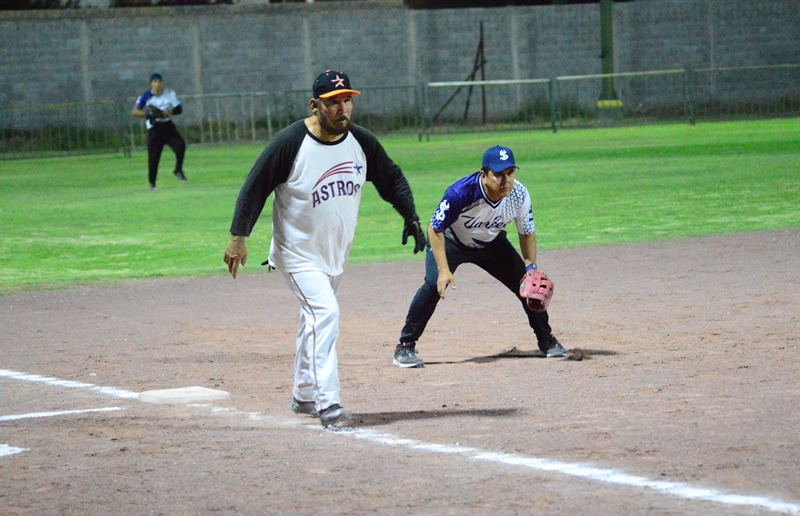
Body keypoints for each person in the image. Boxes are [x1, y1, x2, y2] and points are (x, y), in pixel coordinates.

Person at [223, 70, 426, 427]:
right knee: (325, 313)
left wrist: (410, 217)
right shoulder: (289, 143)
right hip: (297, 254)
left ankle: (302, 394)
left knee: (312, 320)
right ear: (314, 105)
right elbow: (255, 185)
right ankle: (328, 403)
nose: (343, 109)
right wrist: (239, 236)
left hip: (333, 255)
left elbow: (390, 177)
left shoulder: (360, 142)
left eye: (347, 100)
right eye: (333, 102)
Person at [393, 145, 569, 369]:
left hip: (491, 244)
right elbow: (434, 228)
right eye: (498, 175)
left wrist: (530, 267)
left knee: (528, 287)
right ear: (484, 176)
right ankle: (405, 346)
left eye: (510, 173)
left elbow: (527, 232)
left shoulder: (519, 194)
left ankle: (546, 340)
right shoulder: (461, 193)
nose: (505, 181)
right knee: (432, 286)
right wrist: (444, 270)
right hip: (451, 241)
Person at [132, 72, 188, 191]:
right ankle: (152, 183)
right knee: (154, 157)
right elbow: (135, 111)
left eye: (159, 81)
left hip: (167, 126)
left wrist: (167, 112)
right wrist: (147, 114)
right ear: (151, 84)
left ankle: (178, 169)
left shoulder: (169, 94)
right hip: (154, 127)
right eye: (155, 81)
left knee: (180, 146)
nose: (158, 84)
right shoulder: (146, 97)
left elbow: (178, 109)